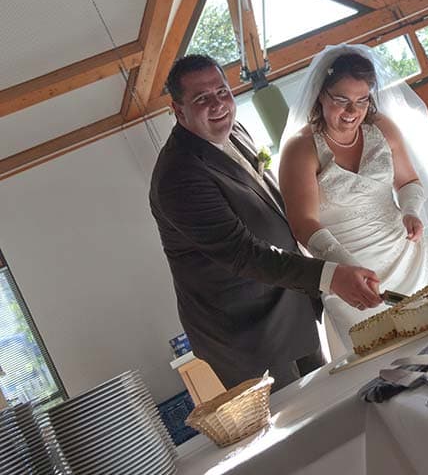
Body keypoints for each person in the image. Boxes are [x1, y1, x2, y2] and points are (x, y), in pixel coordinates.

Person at [149, 54, 382, 391]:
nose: (218, 105)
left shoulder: (235, 131)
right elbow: (242, 254)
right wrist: (330, 276)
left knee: (327, 396)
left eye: (222, 92)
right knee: (294, 421)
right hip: (245, 330)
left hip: (288, 302)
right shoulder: (178, 175)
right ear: (178, 109)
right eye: (202, 98)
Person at [279, 46, 428, 354]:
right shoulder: (301, 148)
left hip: (406, 256)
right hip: (351, 277)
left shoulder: (382, 128)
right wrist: (347, 269)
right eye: (342, 100)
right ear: (321, 95)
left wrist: (411, 210)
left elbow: (409, 181)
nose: (352, 111)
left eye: (362, 101)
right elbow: (303, 224)